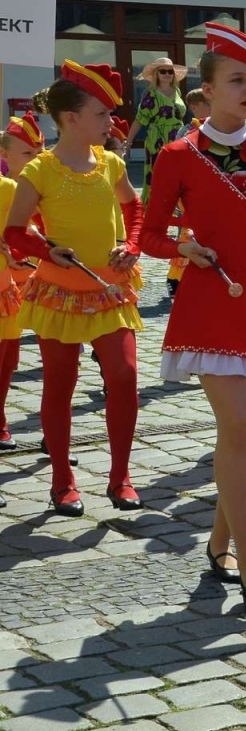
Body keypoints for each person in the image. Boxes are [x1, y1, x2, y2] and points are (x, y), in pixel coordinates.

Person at [141, 23, 246, 616]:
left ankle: (219, 544)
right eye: (236, 81)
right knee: (238, 431)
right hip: (213, 299)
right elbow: (148, 232)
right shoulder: (177, 155)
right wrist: (181, 247)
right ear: (206, 91)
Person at [4, 62, 145, 516]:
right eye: (102, 114)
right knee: (59, 384)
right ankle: (62, 479)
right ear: (71, 119)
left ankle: (120, 476)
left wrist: (132, 243)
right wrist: (48, 251)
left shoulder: (112, 163)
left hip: (110, 290)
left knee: (124, 375)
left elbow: (135, 208)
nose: (111, 123)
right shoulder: (40, 171)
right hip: (60, 294)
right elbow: (15, 231)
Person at [0, 113, 43, 455]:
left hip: (25, 281)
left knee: (10, 357)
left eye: (39, 152)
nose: (36, 159)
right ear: (5, 156)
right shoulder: (9, 188)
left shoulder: (32, 189)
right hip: (7, 280)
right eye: (27, 153)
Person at [133, 57, 189, 198]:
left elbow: (179, 116)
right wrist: (128, 143)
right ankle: (154, 210)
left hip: (178, 138)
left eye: (170, 71)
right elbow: (139, 120)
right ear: (156, 74)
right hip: (157, 140)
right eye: (163, 71)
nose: (167, 74)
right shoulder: (151, 95)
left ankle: (176, 211)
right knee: (159, 176)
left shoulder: (177, 91)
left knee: (179, 175)